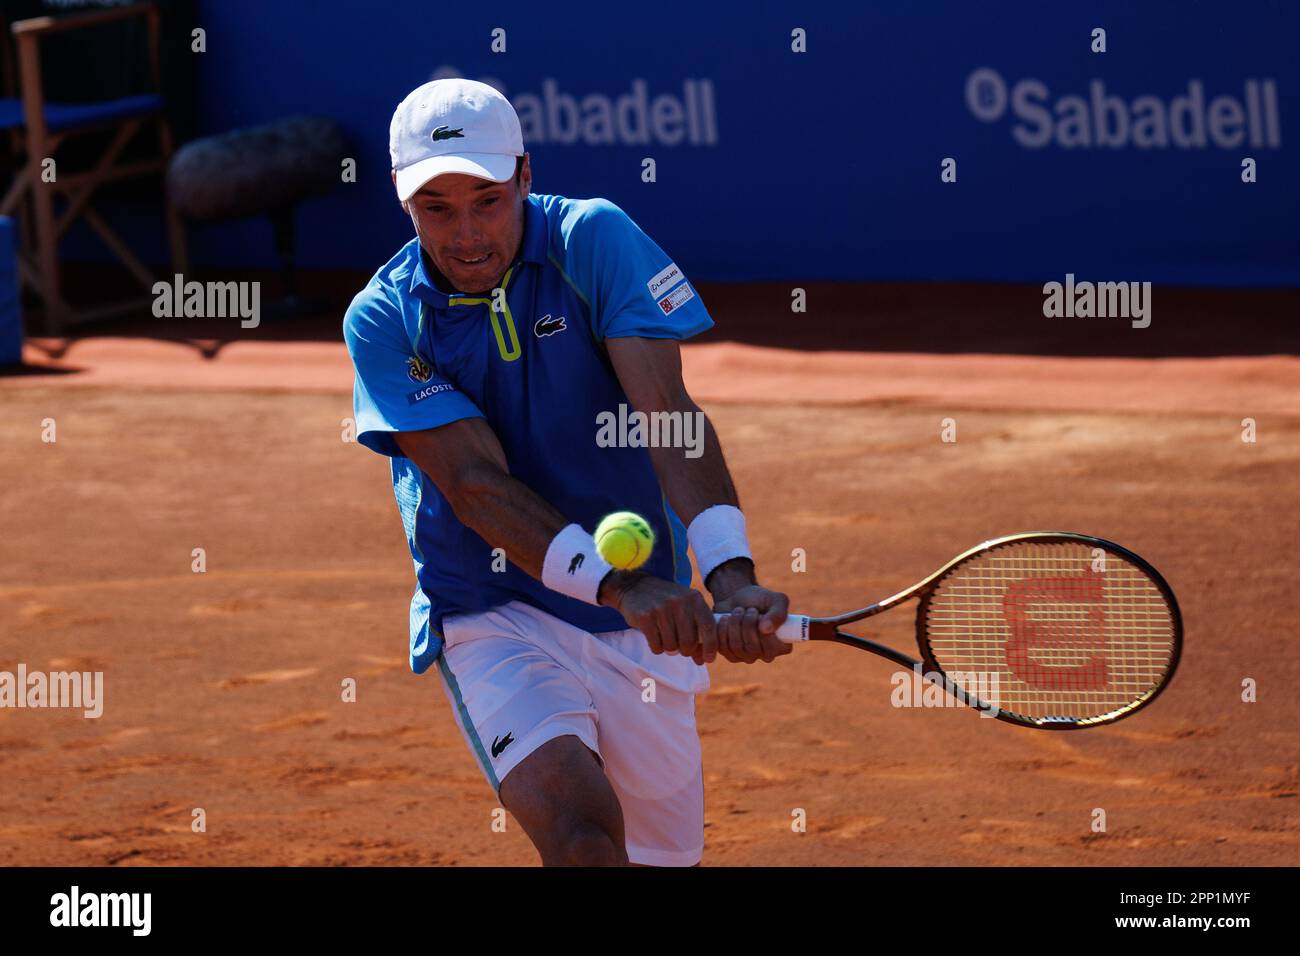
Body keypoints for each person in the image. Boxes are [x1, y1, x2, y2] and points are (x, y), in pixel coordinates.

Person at [343, 78, 790, 867]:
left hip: (634, 627)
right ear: (400, 201)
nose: (468, 232)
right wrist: (624, 586)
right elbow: (476, 487)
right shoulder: (382, 318)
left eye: (486, 198)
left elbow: (668, 415)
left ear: (524, 174)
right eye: (436, 208)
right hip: (494, 608)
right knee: (583, 840)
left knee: (663, 859)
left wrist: (729, 574)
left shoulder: (595, 240)